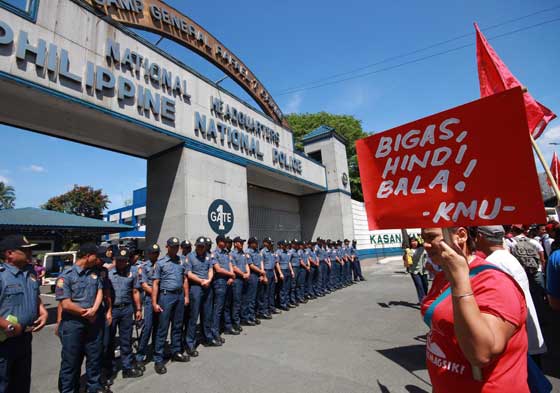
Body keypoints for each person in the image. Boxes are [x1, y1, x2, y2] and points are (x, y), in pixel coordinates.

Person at [421, 227, 528, 393]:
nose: (425, 245)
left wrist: (459, 282)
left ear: (461, 236)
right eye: (423, 238)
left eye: (431, 237)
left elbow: (481, 353)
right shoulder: (443, 276)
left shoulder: (494, 281)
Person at [473, 226, 547, 366]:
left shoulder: (493, 263)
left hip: (516, 338)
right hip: (525, 333)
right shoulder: (507, 257)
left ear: (480, 236)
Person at [56, 243, 106, 393]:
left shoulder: (94, 273)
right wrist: (87, 313)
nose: (98, 260)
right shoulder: (67, 275)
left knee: (94, 356)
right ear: (87, 255)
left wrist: (95, 310)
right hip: (73, 323)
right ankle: (69, 389)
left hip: (93, 321)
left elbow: (100, 291)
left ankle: (93, 387)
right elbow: (65, 303)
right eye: (96, 256)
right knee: (71, 361)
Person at [0, 235, 48, 393]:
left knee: (22, 381)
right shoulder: (1, 275)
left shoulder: (30, 271)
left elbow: (35, 296)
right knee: (3, 382)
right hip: (4, 340)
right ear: (9, 254)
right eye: (25, 250)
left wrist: (42, 311)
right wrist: (8, 325)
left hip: (25, 337)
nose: (30, 253)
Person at [151, 237, 190, 375]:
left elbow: (185, 279)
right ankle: (158, 359)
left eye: (176, 246)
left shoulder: (181, 261)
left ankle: (176, 351)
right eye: (172, 246)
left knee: (177, 326)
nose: (175, 248)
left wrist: (186, 296)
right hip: (166, 296)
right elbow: (155, 283)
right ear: (167, 247)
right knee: (163, 328)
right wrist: (154, 302)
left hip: (179, 296)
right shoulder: (160, 263)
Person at [105, 249, 143, 380]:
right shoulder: (108, 273)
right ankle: (109, 369)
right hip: (112, 310)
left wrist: (138, 309)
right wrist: (108, 311)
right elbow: (105, 294)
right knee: (109, 341)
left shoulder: (132, 272)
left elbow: (135, 291)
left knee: (126, 340)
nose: (122, 263)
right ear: (115, 260)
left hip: (127, 310)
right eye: (119, 260)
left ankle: (127, 367)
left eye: (124, 260)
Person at [185, 237, 217, 349]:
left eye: (202, 246)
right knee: (193, 316)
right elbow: (189, 273)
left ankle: (207, 338)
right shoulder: (190, 257)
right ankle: (190, 343)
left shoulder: (208, 256)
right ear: (195, 246)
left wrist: (208, 280)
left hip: (207, 287)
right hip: (196, 288)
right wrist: (201, 281)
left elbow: (211, 270)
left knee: (207, 315)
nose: (201, 248)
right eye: (199, 246)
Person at [135, 244, 160, 366]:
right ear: (149, 254)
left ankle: (157, 352)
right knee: (148, 327)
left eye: (157, 253)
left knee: (159, 326)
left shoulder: (162, 264)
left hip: (161, 299)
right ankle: (140, 355)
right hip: (150, 299)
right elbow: (143, 285)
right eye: (153, 253)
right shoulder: (143, 267)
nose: (155, 255)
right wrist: (156, 294)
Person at [211, 235, 237, 338]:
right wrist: (231, 274)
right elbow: (218, 269)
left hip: (228, 281)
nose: (226, 243)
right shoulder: (214, 254)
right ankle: (215, 332)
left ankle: (228, 327)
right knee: (218, 308)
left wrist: (231, 277)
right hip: (220, 283)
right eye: (224, 241)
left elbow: (230, 265)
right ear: (219, 242)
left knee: (227, 306)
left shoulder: (227, 253)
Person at [245, 237, 266, 323]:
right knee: (251, 297)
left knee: (258, 296)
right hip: (253, 275)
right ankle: (250, 316)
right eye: (255, 243)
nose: (256, 244)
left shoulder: (258, 252)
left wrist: (262, 273)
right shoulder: (248, 252)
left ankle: (257, 313)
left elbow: (261, 262)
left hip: (259, 274)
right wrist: (261, 272)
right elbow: (251, 265)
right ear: (250, 243)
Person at [231, 237, 250, 330]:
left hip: (244, 278)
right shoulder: (232, 254)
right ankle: (236, 322)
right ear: (235, 244)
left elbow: (246, 264)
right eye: (240, 242)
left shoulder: (243, 254)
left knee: (245, 299)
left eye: (243, 242)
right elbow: (234, 267)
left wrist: (248, 273)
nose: (242, 243)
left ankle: (244, 318)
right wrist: (243, 274)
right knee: (237, 301)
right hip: (237, 280)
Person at [404, 236, 429, 304]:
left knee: (425, 285)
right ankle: (423, 301)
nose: (414, 243)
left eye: (415, 241)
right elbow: (406, 263)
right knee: (419, 286)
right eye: (412, 241)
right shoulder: (409, 250)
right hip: (414, 271)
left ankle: (425, 298)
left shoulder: (422, 248)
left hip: (424, 270)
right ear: (410, 242)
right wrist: (406, 254)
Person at [259, 237, 279, 317]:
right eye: (269, 243)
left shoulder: (272, 252)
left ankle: (271, 308)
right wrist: (264, 275)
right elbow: (262, 264)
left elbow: (273, 265)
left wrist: (275, 275)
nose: (271, 244)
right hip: (266, 272)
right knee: (266, 293)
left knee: (272, 292)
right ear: (265, 243)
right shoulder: (263, 252)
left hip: (271, 272)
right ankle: (265, 310)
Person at [275, 241, 291, 311]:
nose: (286, 246)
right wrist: (280, 273)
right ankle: (282, 304)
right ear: (281, 245)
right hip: (282, 270)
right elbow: (277, 263)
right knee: (282, 288)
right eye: (284, 245)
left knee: (287, 288)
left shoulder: (287, 252)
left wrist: (291, 271)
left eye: (286, 245)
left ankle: (286, 302)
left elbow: (289, 262)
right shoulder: (278, 252)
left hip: (287, 270)